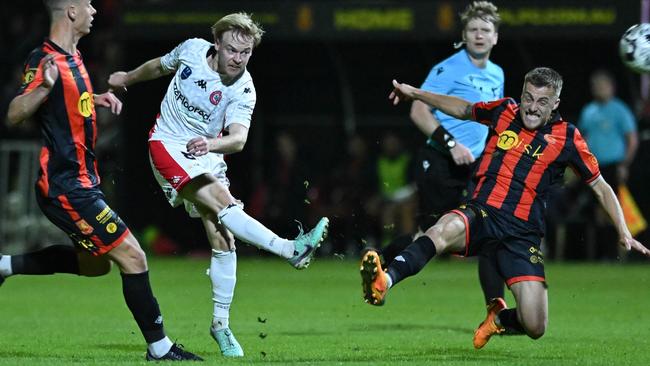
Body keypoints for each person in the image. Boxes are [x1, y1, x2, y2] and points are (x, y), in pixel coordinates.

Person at [360, 67, 650, 350]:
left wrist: (623, 230)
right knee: (442, 229)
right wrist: (417, 93)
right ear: (521, 95)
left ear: (555, 104)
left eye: (542, 102)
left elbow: (600, 186)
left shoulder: (568, 137)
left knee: (535, 325)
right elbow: (463, 109)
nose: (532, 108)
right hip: (484, 213)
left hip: (523, 235)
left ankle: (499, 317)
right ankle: (385, 281)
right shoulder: (504, 111)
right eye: (528, 98)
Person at [107, 12, 329, 358]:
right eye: (232, 51)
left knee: (223, 236)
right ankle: (290, 249)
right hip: (166, 143)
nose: (238, 59)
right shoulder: (192, 51)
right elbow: (158, 67)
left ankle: (220, 326)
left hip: (206, 153)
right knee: (224, 204)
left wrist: (210, 145)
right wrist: (127, 77)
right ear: (216, 44)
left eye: (246, 53)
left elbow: (238, 139)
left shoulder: (243, 88)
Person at [1, 0, 201, 361]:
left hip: (82, 182)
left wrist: (94, 99)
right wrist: (42, 89)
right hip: (66, 186)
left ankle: (4, 266)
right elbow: (15, 112)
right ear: (72, 12)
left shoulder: (74, 56)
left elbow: (69, 102)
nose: (95, 9)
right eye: (88, 3)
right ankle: (159, 347)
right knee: (134, 256)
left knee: (95, 265)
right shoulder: (44, 59)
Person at [379, 1, 508, 312]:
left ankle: (496, 310)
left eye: (485, 30)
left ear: (495, 38)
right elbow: (418, 110)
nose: (479, 35)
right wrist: (451, 145)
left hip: (474, 166)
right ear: (463, 35)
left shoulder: (497, 73)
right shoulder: (448, 68)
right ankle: (383, 264)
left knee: (489, 233)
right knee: (433, 235)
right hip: (440, 160)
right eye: (473, 30)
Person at [575, 70, 639, 259]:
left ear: (612, 87)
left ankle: (619, 253)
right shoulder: (589, 110)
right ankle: (599, 255)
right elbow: (581, 138)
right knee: (596, 213)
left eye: (602, 85)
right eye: (595, 85)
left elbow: (632, 139)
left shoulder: (619, 109)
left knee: (614, 210)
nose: (599, 89)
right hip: (592, 168)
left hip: (614, 166)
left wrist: (624, 164)